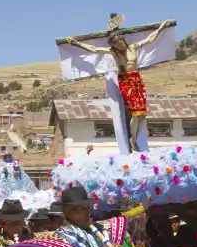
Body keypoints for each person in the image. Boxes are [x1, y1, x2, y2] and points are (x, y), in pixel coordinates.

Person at [64, 20, 174, 151]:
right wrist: (76, 43)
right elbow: (94, 49)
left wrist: (161, 27)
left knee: (142, 114)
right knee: (135, 112)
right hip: (126, 81)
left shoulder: (133, 47)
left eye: (120, 42)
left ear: (123, 40)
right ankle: (132, 137)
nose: (119, 45)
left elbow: (150, 39)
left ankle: (135, 138)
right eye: (116, 44)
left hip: (136, 80)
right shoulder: (113, 53)